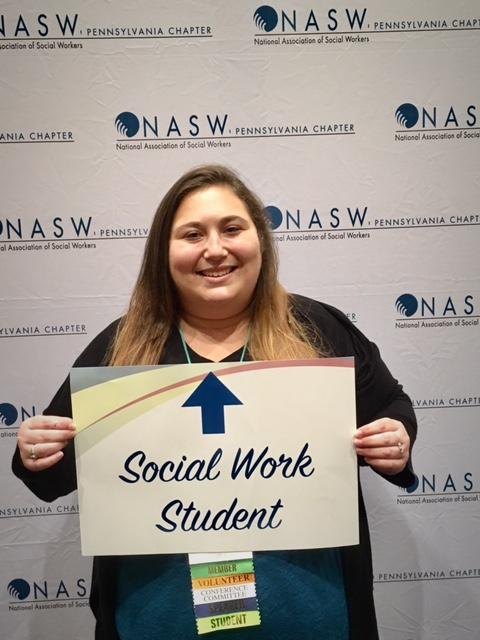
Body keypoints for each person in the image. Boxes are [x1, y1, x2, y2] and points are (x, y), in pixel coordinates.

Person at [13, 164, 417, 640]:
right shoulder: (122, 347)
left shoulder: (320, 329)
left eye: (231, 228)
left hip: (314, 619)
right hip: (156, 624)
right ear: (163, 252)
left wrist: (396, 436)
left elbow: (391, 406)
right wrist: (36, 451)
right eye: (191, 234)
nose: (215, 249)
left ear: (260, 240)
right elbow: (57, 471)